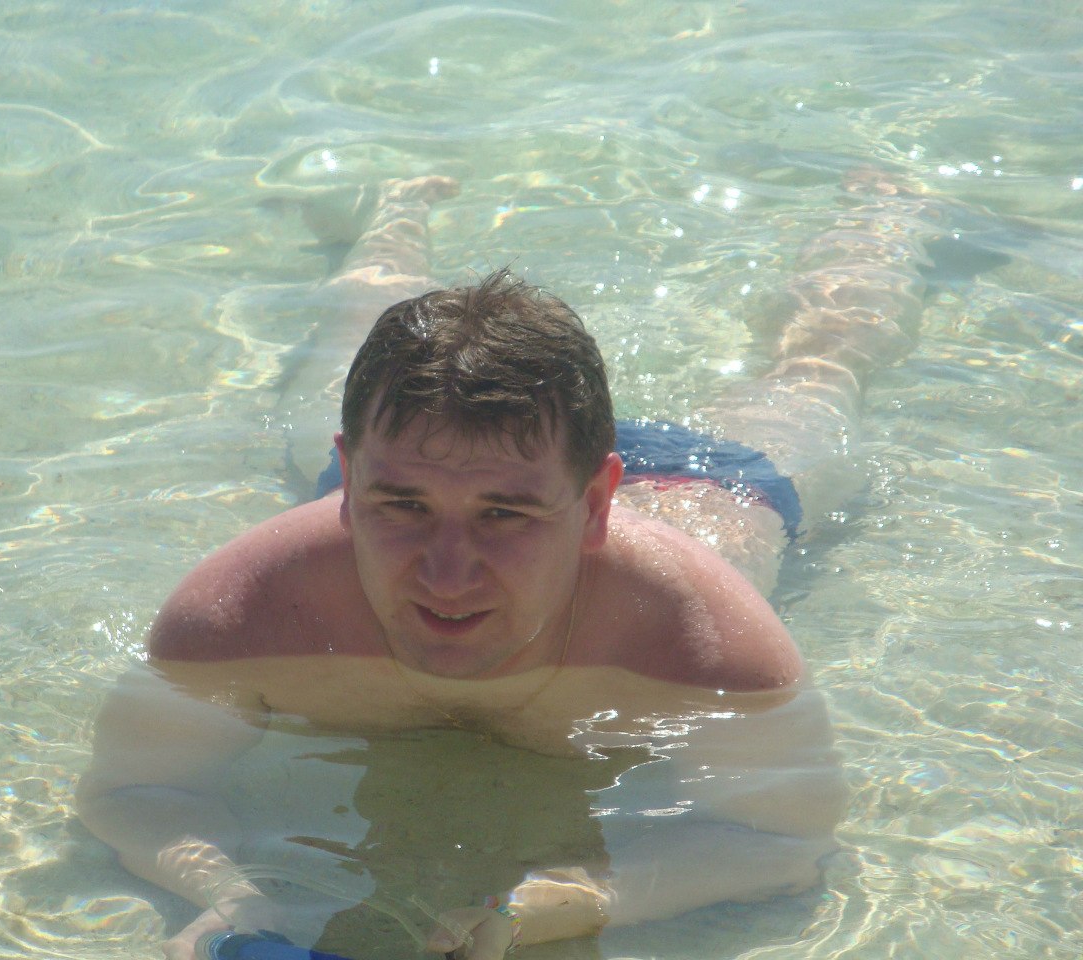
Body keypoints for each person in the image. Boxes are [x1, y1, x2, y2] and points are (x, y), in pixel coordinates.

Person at [77, 171, 933, 960]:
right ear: (352, 479)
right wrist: (232, 895)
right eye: (403, 507)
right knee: (351, 335)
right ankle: (394, 206)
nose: (448, 575)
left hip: (704, 485)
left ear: (596, 504)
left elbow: (784, 843)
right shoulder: (244, 612)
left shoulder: (703, 645)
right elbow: (132, 792)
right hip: (453, 448)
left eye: (504, 517)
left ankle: (889, 206)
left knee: (826, 362)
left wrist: (574, 899)